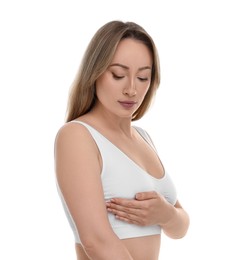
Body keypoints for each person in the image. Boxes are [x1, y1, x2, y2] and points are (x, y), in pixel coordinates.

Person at [54, 20, 190, 260]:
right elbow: (96, 241)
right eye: (118, 75)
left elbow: (181, 227)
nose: (131, 89)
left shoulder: (144, 138)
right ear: (94, 72)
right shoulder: (77, 136)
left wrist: (165, 214)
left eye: (143, 77)